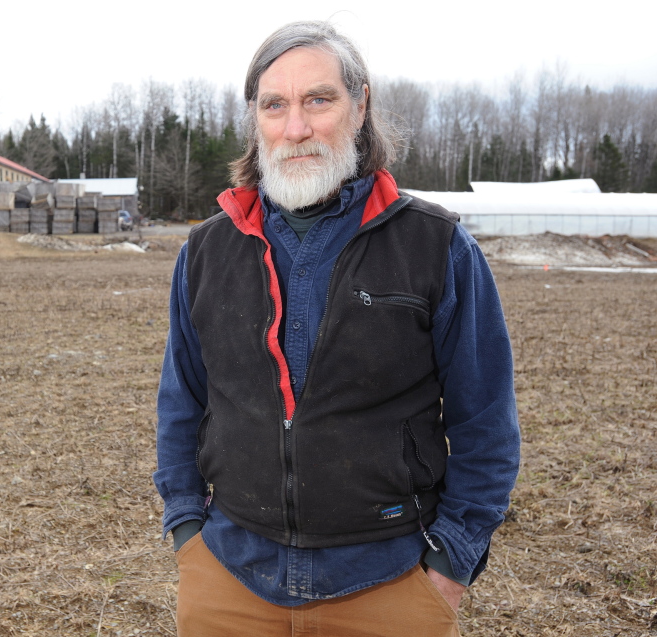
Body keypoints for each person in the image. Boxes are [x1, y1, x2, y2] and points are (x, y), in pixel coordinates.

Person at [154, 20, 520, 637]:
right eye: (275, 105)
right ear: (256, 120)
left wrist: (449, 566)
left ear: (360, 105)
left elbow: (485, 423)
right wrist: (188, 532)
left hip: (388, 582)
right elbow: (181, 404)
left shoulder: (437, 246)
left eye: (318, 100)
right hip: (228, 580)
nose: (296, 128)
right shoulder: (206, 252)